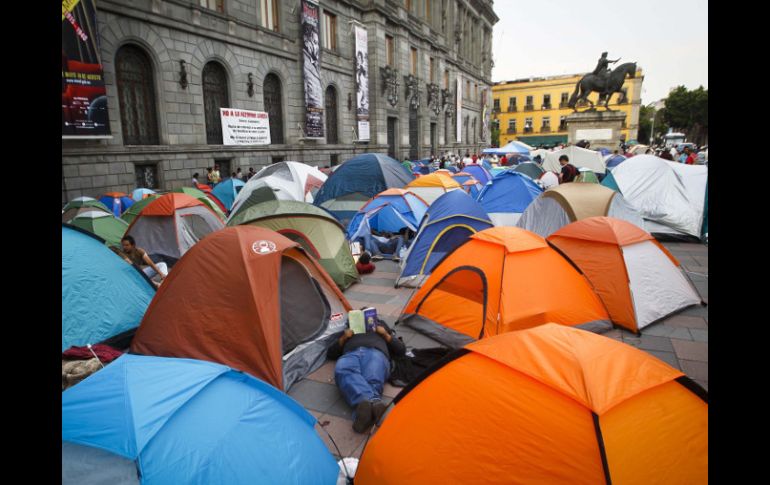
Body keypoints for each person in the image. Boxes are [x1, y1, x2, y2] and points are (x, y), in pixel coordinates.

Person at [327, 318, 405, 433]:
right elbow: (330, 353)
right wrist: (344, 337)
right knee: (342, 369)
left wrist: (385, 334)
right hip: (351, 354)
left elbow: (401, 350)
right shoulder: (348, 331)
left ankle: (364, 413)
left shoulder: (382, 330)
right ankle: (374, 403)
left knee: (372, 377)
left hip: (375, 353)